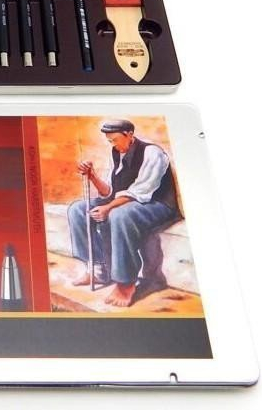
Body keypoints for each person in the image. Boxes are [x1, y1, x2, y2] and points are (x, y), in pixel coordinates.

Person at [67, 119, 180, 307]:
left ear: (129, 134)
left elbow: (140, 192)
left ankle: (126, 283)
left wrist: (108, 208)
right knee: (78, 210)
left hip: (157, 204)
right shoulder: (116, 153)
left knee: (119, 215)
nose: (113, 144)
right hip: (127, 202)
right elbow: (109, 192)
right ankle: (98, 269)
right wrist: (92, 176)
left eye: (115, 140)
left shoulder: (153, 153)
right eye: (109, 141)